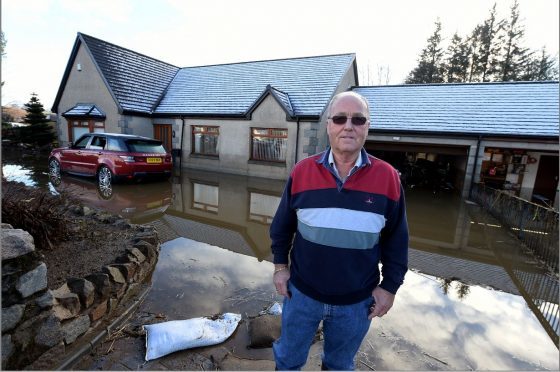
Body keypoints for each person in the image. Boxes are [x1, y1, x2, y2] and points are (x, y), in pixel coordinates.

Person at [270, 91, 409, 370]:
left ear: (367, 126)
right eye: (340, 118)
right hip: (302, 295)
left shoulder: (388, 178)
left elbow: (397, 240)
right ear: (329, 125)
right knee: (287, 361)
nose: (349, 125)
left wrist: (390, 287)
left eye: (358, 119)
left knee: (339, 366)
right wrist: (279, 267)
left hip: (356, 303)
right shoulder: (302, 172)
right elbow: (281, 226)